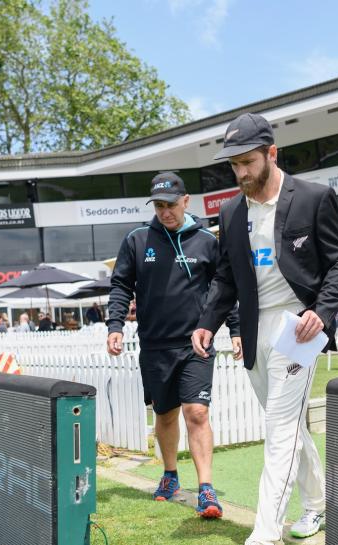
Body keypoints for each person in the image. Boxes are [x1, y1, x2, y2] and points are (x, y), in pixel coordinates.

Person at [191, 113, 338, 544]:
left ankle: (264, 534)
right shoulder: (229, 212)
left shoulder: (314, 197)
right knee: (291, 426)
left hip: (299, 328)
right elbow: (226, 277)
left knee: (279, 429)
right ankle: (318, 503)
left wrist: (322, 310)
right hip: (252, 329)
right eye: (234, 165)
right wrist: (208, 322)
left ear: (271, 153)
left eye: (247, 162)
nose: (241, 172)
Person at [107, 171, 240, 518]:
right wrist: (115, 325)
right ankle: (170, 475)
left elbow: (224, 290)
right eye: (159, 206)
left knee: (197, 412)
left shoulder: (207, 241)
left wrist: (236, 329)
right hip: (154, 345)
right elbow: (121, 285)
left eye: (171, 205)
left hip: (197, 343)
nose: (165, 212)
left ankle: (207, 490)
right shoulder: (137, 240)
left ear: (186, 201)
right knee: (165, 415)